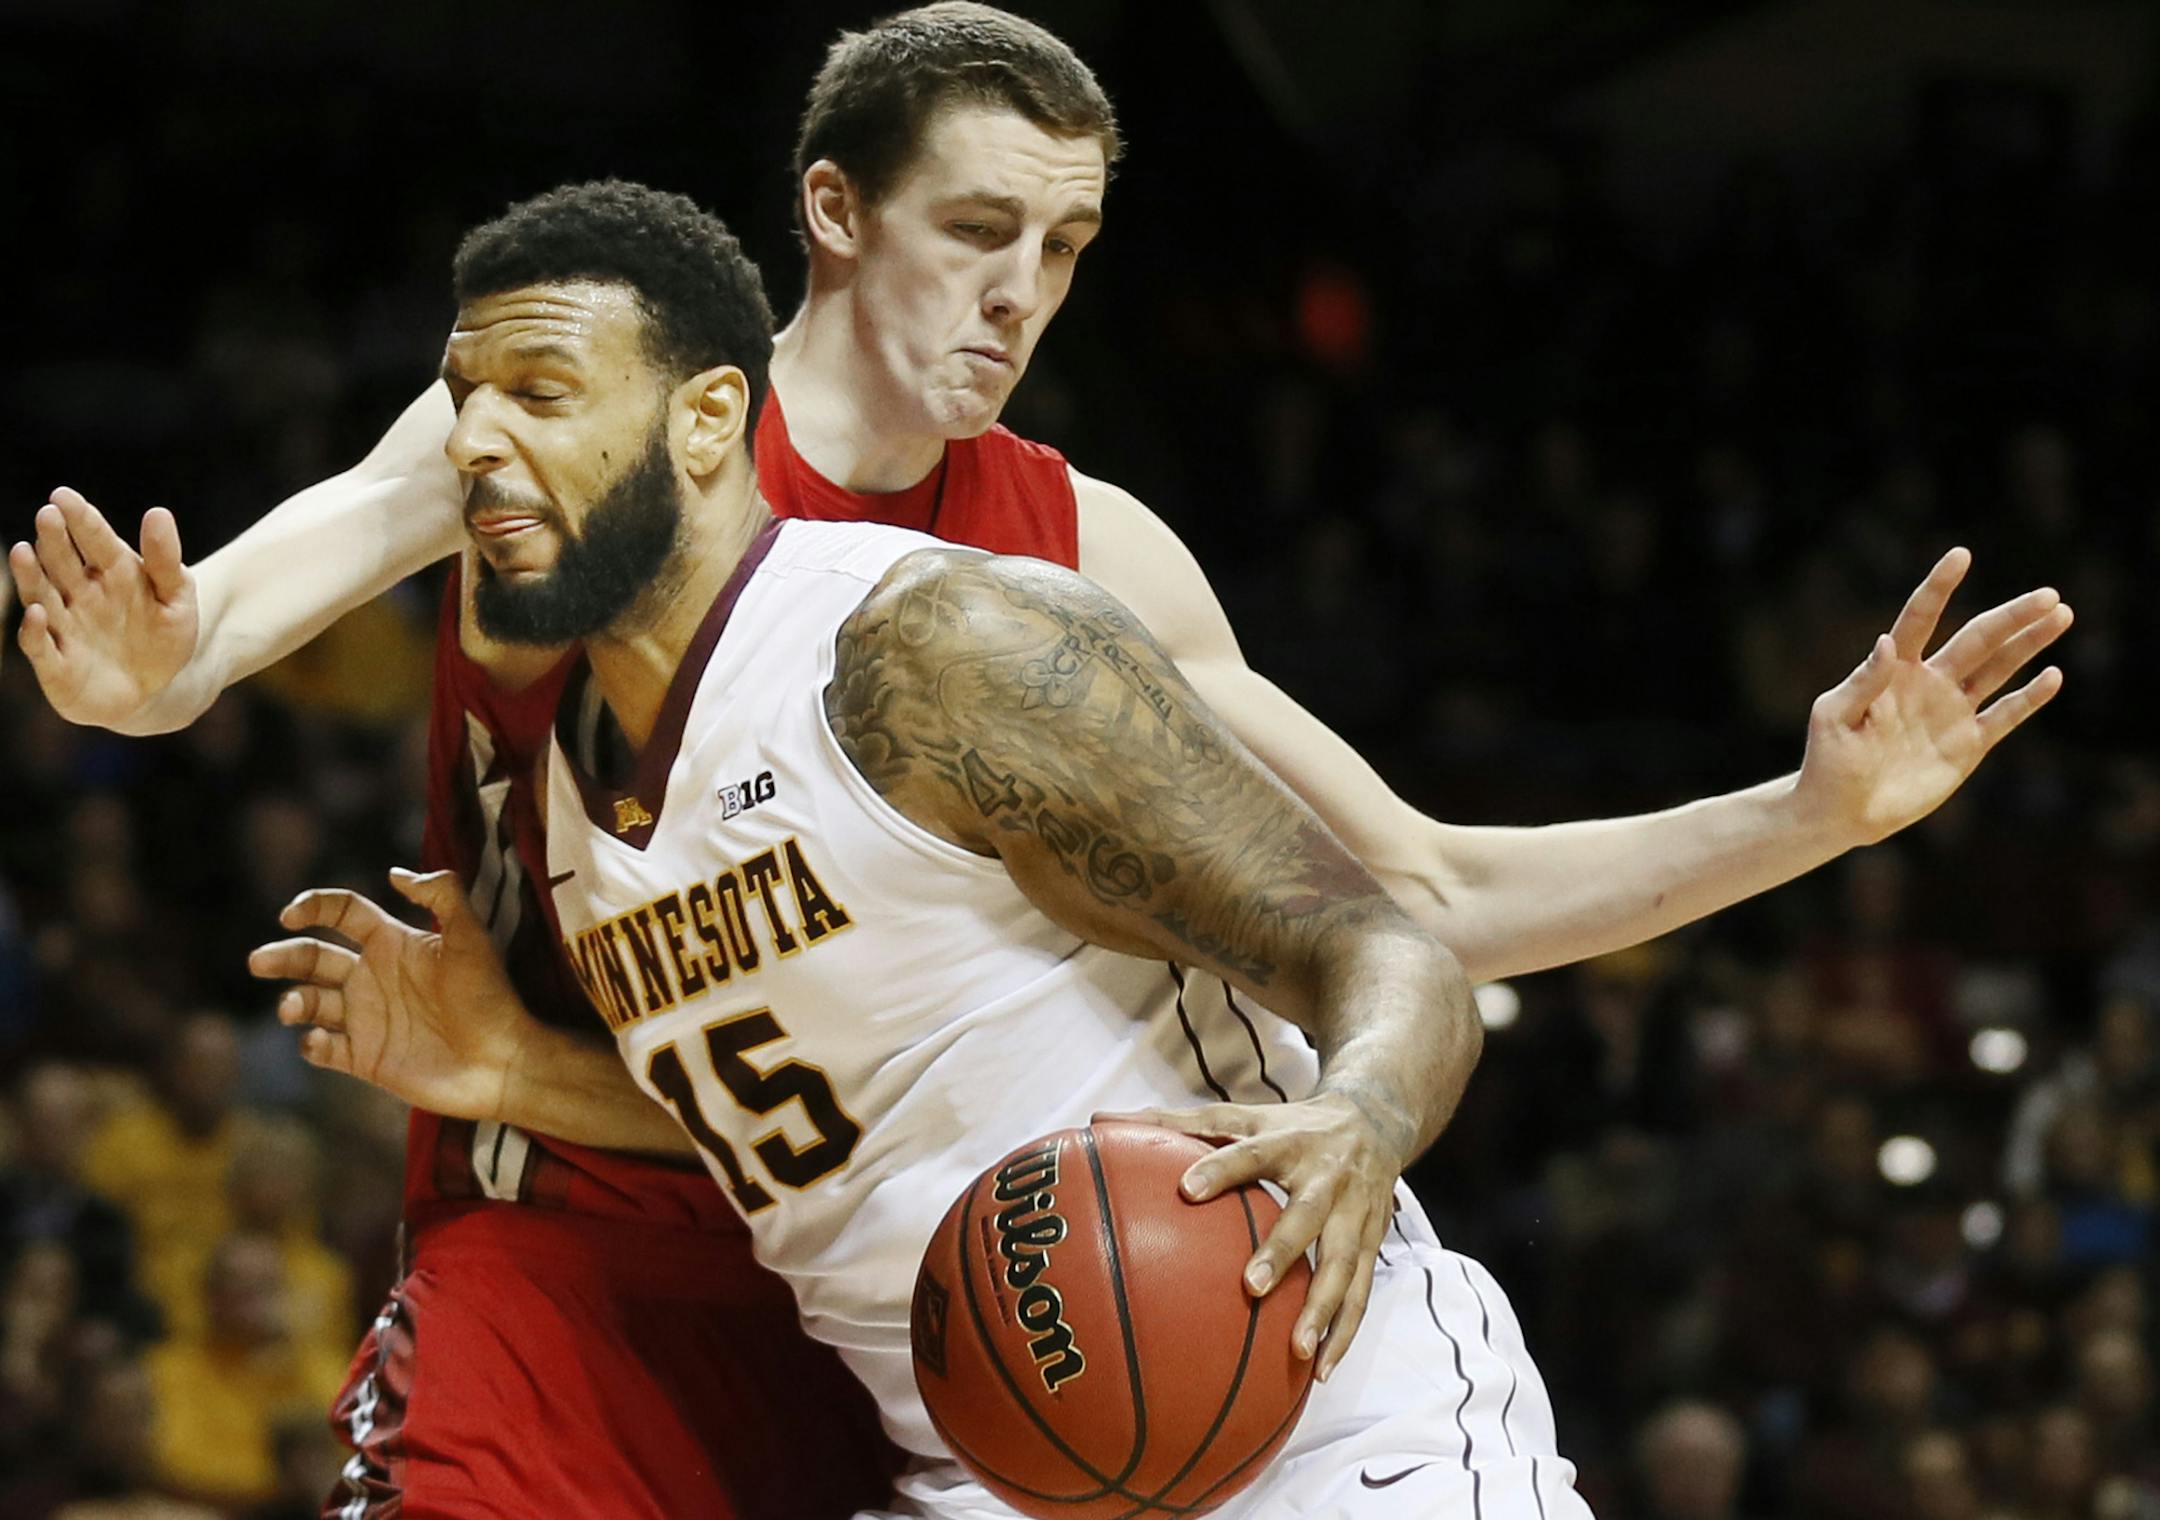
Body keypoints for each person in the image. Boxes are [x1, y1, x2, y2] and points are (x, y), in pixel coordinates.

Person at [9, 4, 2072, 1513]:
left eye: (1066, 247)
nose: (1021, 292)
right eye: (979, 227)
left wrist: (1808, 818)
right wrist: (161, 667)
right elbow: (292, 575)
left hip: (962, 1300)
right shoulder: (602, 426)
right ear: (829, 209)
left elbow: (1414, 899)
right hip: (600, 1211)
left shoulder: (1060, 567)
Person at [253, 175, 1572, 1520]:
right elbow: (821, 1140)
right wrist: (513, 1066)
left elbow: (1383, 947)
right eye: (463, 399)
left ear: (708, 420)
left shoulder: (932, 651)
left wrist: (1361, 1119)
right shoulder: (583, 829)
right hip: (988, 1470)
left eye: (537, 396)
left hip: (1310, 1407)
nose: (474, 442)